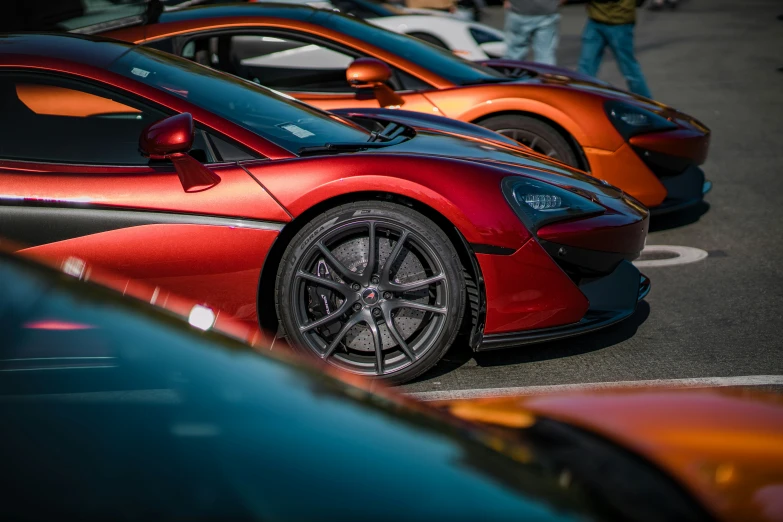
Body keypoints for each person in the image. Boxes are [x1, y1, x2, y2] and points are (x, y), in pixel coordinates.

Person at [577, 0, 653, 98]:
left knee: (629, 69)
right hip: (596, 20)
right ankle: (580, 100)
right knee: (586, 66)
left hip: (619, 22)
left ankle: (647, 105)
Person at [503, 0, 562, 66]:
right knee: (545, 53)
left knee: (514, 52)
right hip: (547, 11)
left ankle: (511, 72)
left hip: (519, 9)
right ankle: (545, 73)